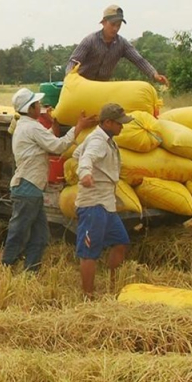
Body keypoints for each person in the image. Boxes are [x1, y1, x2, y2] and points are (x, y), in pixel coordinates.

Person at [1, 88, 95, 272]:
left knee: (41, 236)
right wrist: (79, 127)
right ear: (30, 109)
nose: (41, 107)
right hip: (28, 187)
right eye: (38, 105)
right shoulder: (31, 127)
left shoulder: (25, 125)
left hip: (31, 188)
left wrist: (55, 125)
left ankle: (31, 272)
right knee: (19, 231)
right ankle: (6, 265)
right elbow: (57, 146)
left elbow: (45, 139)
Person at [74, 103, 134, 298]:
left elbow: (78, 154)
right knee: (89, 251)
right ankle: (88, 295)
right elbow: (86, 158)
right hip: (93, 204)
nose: (122, 127)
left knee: (121, 242)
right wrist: (85, 173)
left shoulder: (105, 139)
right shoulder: (98, 141)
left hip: (106, 203)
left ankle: (112, 285)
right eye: (119, 123)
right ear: (107, 122)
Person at [65, 4, 170, 86]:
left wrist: (154, 74)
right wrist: (70, 77)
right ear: (104, 22)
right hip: (82, 85)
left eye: (118, 25)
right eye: (112, 24)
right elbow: (74, 61)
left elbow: (139, 60)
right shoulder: (90, 40)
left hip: (102, 87)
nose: (115, 28)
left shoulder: (122, 44)